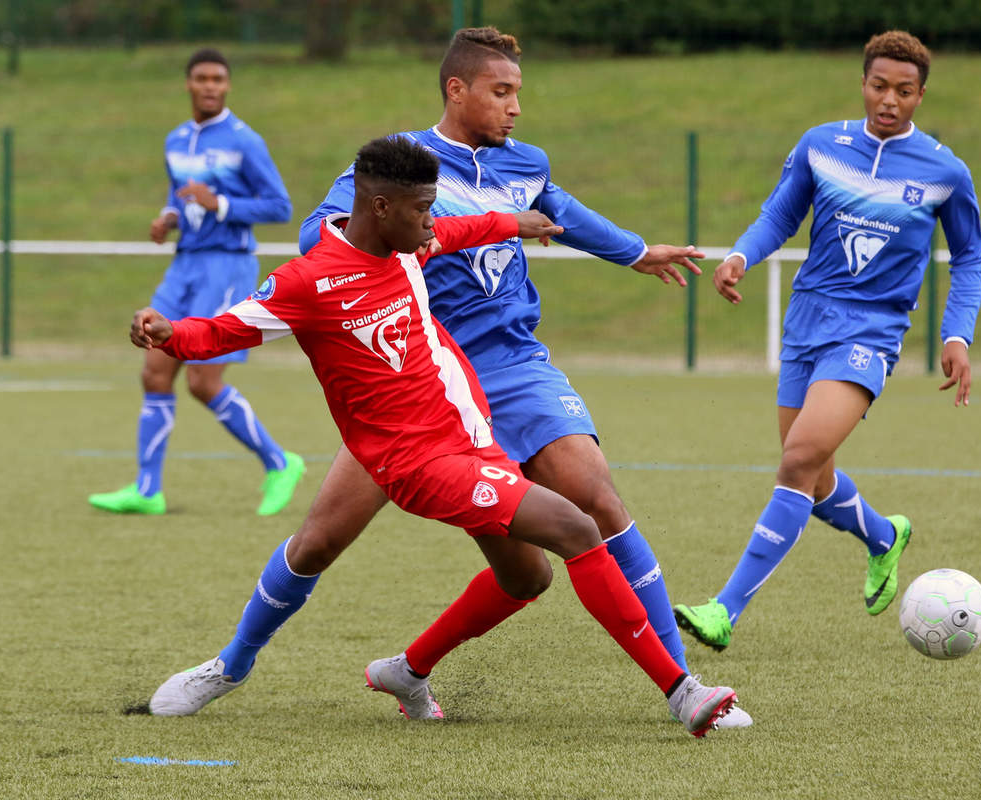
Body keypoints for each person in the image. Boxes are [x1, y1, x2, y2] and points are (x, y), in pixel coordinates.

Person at [142, 136, 738, 738]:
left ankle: (406, 670)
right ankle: (681, 691)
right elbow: (220, 331)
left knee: (526, 577)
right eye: (423, 208)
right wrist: (167, 332)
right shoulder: (308, 282)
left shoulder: (409, 247)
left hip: (468, 441)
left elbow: (465, 230)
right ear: (378, 207)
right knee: (575, 527)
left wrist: (516, 221)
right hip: (416, 460)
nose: (432, 222)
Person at [296, 28, 751, 726]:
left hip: (514, 367)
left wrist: (636, 253)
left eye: (518, 93)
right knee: (326, 538)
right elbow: (322, 232)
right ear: (458, 90)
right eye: (501, 92)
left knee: (596, 497)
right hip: (422, 383)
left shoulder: (526, 162)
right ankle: (242, 663)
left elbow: (562, 213)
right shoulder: (406, 165)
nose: (514, 107)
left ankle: (684, 686)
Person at [674, 30, 981, 650]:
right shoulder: (822, 146)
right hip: (806, 323)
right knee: (813, 480)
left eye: (904, 90)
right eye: (879, 86)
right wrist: (742, 255)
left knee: (796, 460)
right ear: (863, 84)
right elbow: (779, 216)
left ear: (921, 95)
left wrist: (957, 334)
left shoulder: (945, 171)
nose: (889, 100)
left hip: (871, 331)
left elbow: (971, 256)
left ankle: (724, 609)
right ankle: (883, 535)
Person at [88, 47, 305, 517]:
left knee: (203, 382)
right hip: (184, 264)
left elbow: (280, 207)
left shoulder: (245, 141)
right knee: (154, 369)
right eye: (202, 78)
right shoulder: (176, 139)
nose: (210, 86)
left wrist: (221, 204)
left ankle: (280, 462)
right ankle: (148, 491)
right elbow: (180, 192)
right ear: (188, 83)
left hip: (227, 267)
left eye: (218, 79)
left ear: (227, 86)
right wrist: (169, 216)